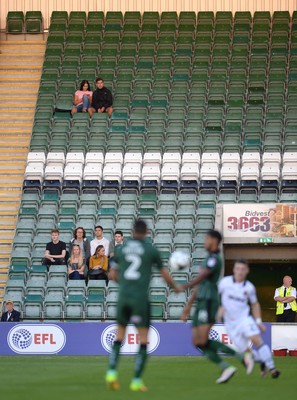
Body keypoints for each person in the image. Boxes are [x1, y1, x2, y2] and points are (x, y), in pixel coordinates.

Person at [105, 219, 178, 392]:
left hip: (123, 297)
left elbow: (111, 275)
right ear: (146, 232)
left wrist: (125, 284)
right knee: (143, 339)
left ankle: (111, 372)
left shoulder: (121, 249)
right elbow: (164, 273)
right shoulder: (150, 250)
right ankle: (136, 380)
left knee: (119, 336)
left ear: (132, 231)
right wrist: (175, 287)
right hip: (140, 300)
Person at [181, 230, 253, 384]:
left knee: (202, 340)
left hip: (209, 301)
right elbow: (200, 283)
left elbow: (202, 277)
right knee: (197, 342)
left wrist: (185, 285)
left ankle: (239, 358)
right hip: (201, 301)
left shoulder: (214, 259)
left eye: (206, 238)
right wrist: (188, 306)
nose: (204, 241)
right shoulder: (207, 258)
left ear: (214, 241)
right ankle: (229, 365)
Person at [218, 259, 280, 379]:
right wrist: (219, 310)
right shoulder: (224, 283)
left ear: (247, 271)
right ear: (234, 269)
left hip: (244, 319)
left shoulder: (249, 287)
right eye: (237, 269)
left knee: (257, 340)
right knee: (246, 352)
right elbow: (217, 298)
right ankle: (262, 360)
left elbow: (255, 304)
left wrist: (258, 321)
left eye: (242, 269)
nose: (240, 271)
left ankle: (272, 368)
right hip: (230, 324)